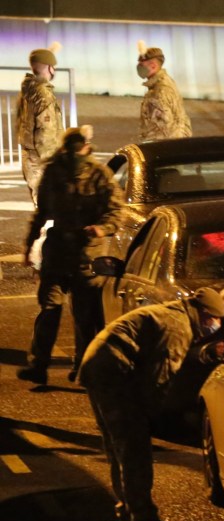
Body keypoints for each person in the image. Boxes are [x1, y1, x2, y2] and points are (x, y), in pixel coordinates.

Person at [78, 287, 224, 521]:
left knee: (119, 449)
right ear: (205, 315)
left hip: (100, 367)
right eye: (216, 319)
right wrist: (150, 418)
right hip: (114, 373)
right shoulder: (178, 327)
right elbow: (160, 378)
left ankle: (129, 514)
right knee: (134, 449)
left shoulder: (174, 314)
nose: (216, 325)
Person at [17, 126, 125, 387]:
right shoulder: (54, 173)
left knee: (85, 316)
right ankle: (39, 365)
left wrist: (102, 228)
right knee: (50, 308)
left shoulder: (99, 175)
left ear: (87, 149)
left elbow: (116, 211)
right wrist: (29, 246)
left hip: (86, 254)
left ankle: (83, 367)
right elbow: (41, 212)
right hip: (58, 253)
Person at [17, 44, 64, 206]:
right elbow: (46, 132)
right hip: (41, 160)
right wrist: (54, 163)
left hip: (30, 158)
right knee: (49, 207)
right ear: (49, 68)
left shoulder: (28, 89)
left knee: (41, 205)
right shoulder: (43, 94)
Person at [136, 42, 193, 142]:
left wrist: (149, 147)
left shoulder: (159, 91)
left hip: (168, 144)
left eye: (141, 65)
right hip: (176, 141)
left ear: (153, 66)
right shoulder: (164, 82)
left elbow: (162, 128)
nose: (138, 67)